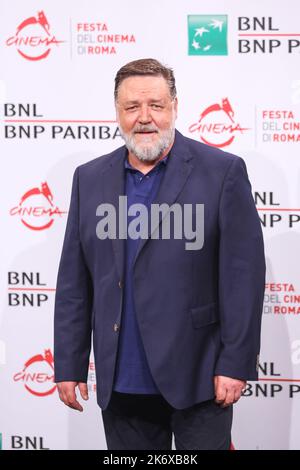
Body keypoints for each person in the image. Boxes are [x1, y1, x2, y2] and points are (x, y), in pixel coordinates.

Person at [54, 58, 265, 450]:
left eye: (156, 105)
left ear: (175, 107)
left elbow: (243, 278)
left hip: (199, 377)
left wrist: (236, 362)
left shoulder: (222, 172)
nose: (145, 117)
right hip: (122, 381)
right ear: (117, 112)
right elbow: (74, 282)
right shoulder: (89, 178)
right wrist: (69, 363)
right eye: (132, 107)